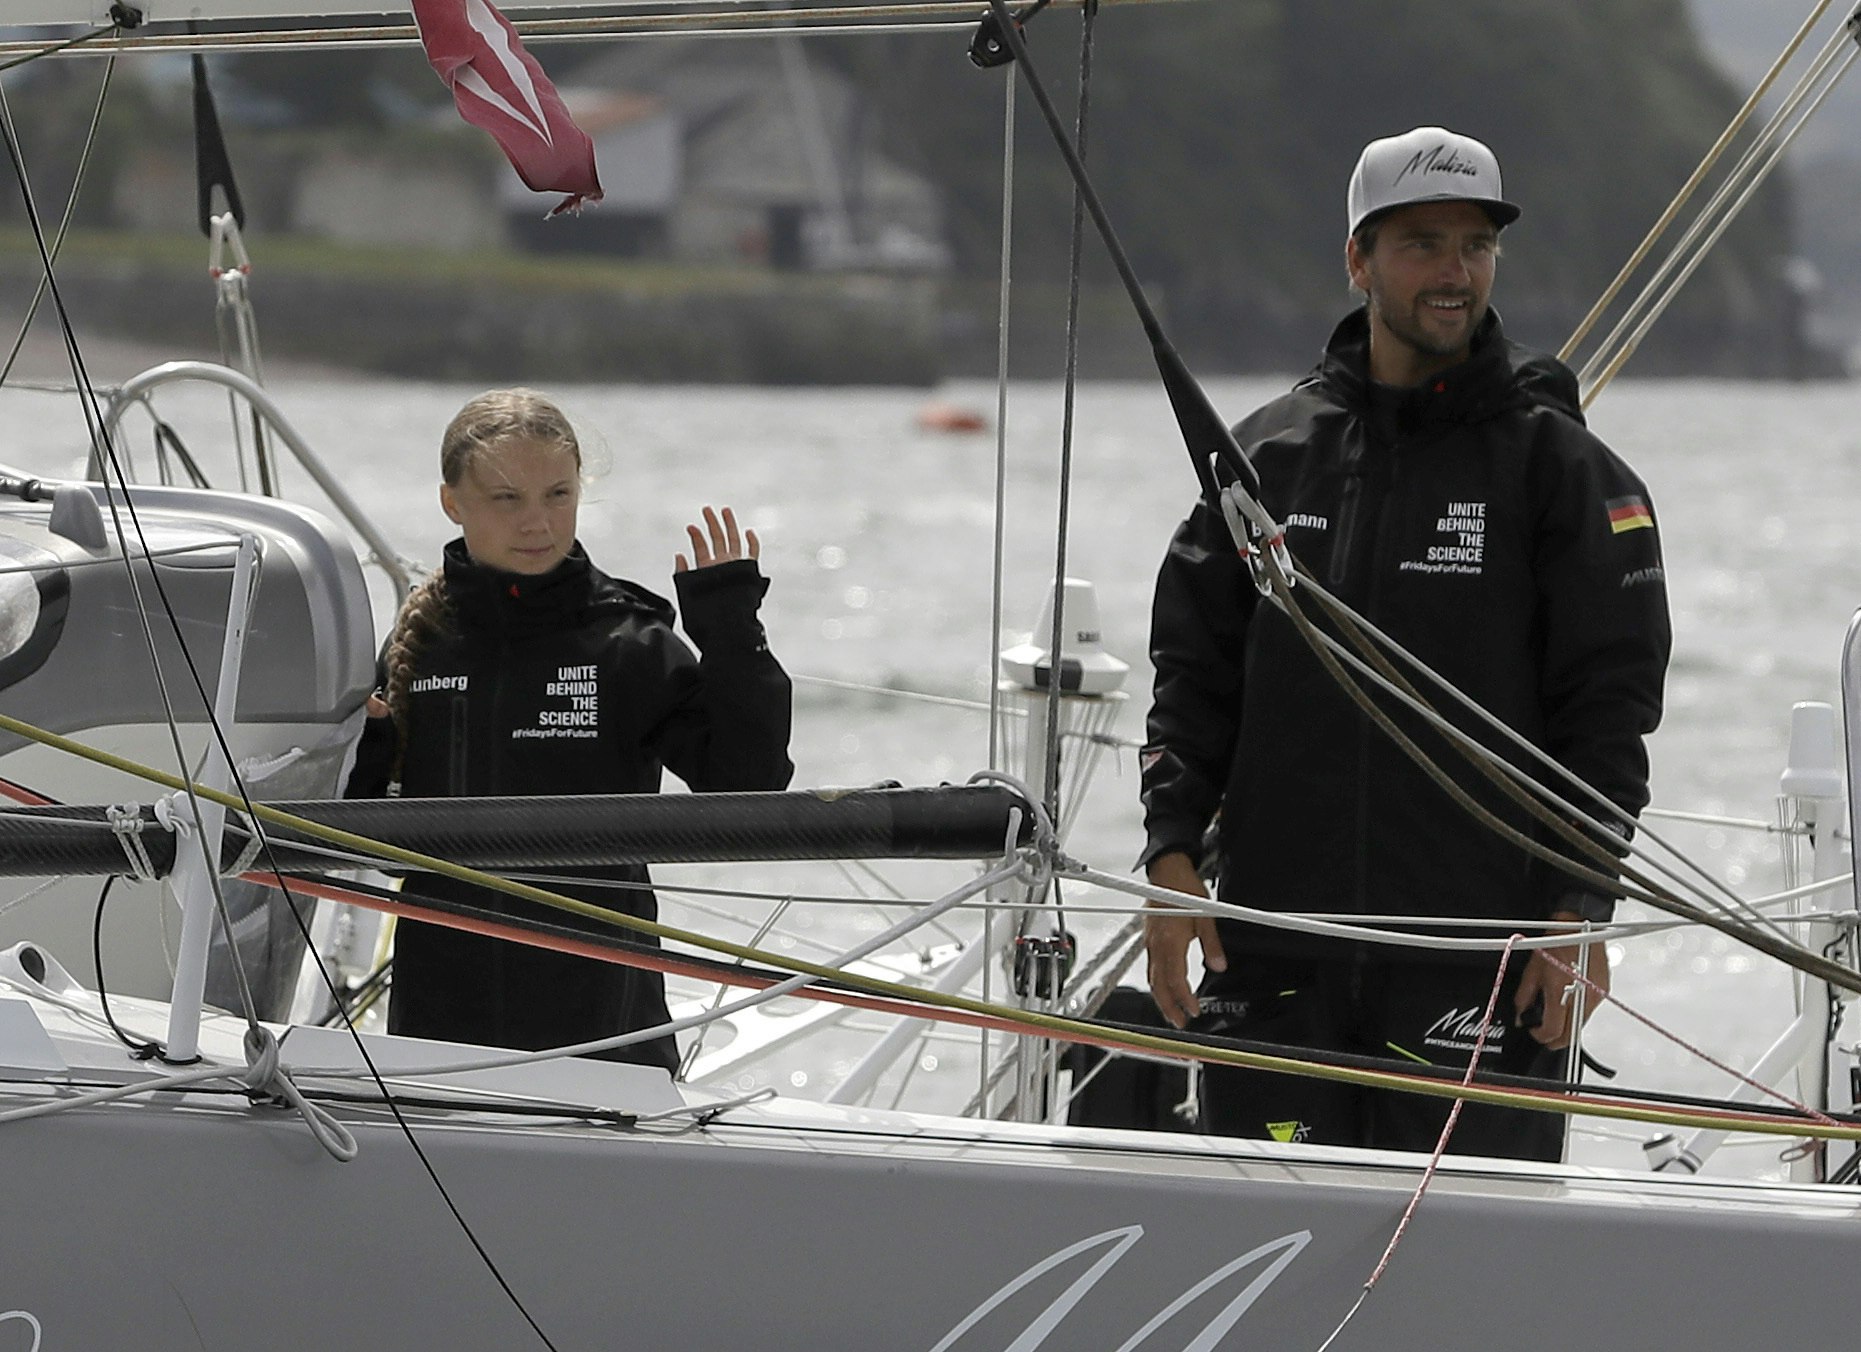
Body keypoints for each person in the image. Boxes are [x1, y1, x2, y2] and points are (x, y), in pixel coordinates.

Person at [1139, 127, 1671, 1158]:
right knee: (1269, 1278)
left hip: (1477, 963)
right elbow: (1191, 679)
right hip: (1273, 956)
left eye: (1475, 245)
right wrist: (1167, 857)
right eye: (1423, 243)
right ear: (1358, 258)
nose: (1454, 272)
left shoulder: (1562, 469)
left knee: (1466, 1289)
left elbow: (1610, 707)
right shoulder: (1265, 459)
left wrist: (1580, 904)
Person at [344, 388, 792, 1071]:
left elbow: (749, 784)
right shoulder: (420, 645)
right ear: (451, 503)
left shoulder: (627, 643)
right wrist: (367, 752)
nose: (537, 522)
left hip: (604, 1034)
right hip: (438, 1036)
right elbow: (377, 848)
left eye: (557, 494)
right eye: (506, 499)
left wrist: (730, 631)